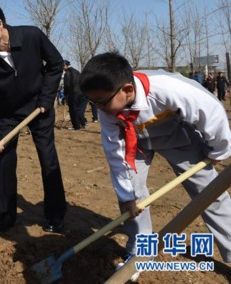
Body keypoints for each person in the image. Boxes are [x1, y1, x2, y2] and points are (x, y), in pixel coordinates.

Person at [79, 52, 231, 272]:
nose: (98, 108)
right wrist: (126, 195)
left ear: (128, 90)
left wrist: (218, 150)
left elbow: (210, 111)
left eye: (101, 102)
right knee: (132, 200)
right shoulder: (107, 108)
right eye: (93, 102)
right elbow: (115, 151)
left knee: (209, 192)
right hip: (134, 144)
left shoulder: (168, 89)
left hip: (176, 137)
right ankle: (140, 254)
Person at [0, 1, 67, 233]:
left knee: (47, 157)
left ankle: (55, 215)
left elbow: (55, 64)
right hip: (8, 113)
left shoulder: (31, 36)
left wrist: (46, 99)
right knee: (4, 160)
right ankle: (5, 215)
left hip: (39, 108)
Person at [63, 60, 88, 130]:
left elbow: (67, 86)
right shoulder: (76, 71)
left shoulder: (67, 73)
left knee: (73, 111)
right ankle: (83, 123)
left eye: (63, 66)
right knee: (78, 110)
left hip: (73, 94)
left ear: (66, 65)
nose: (62, 68)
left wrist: (65, 95)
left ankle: (76, 126)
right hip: (81, 93)